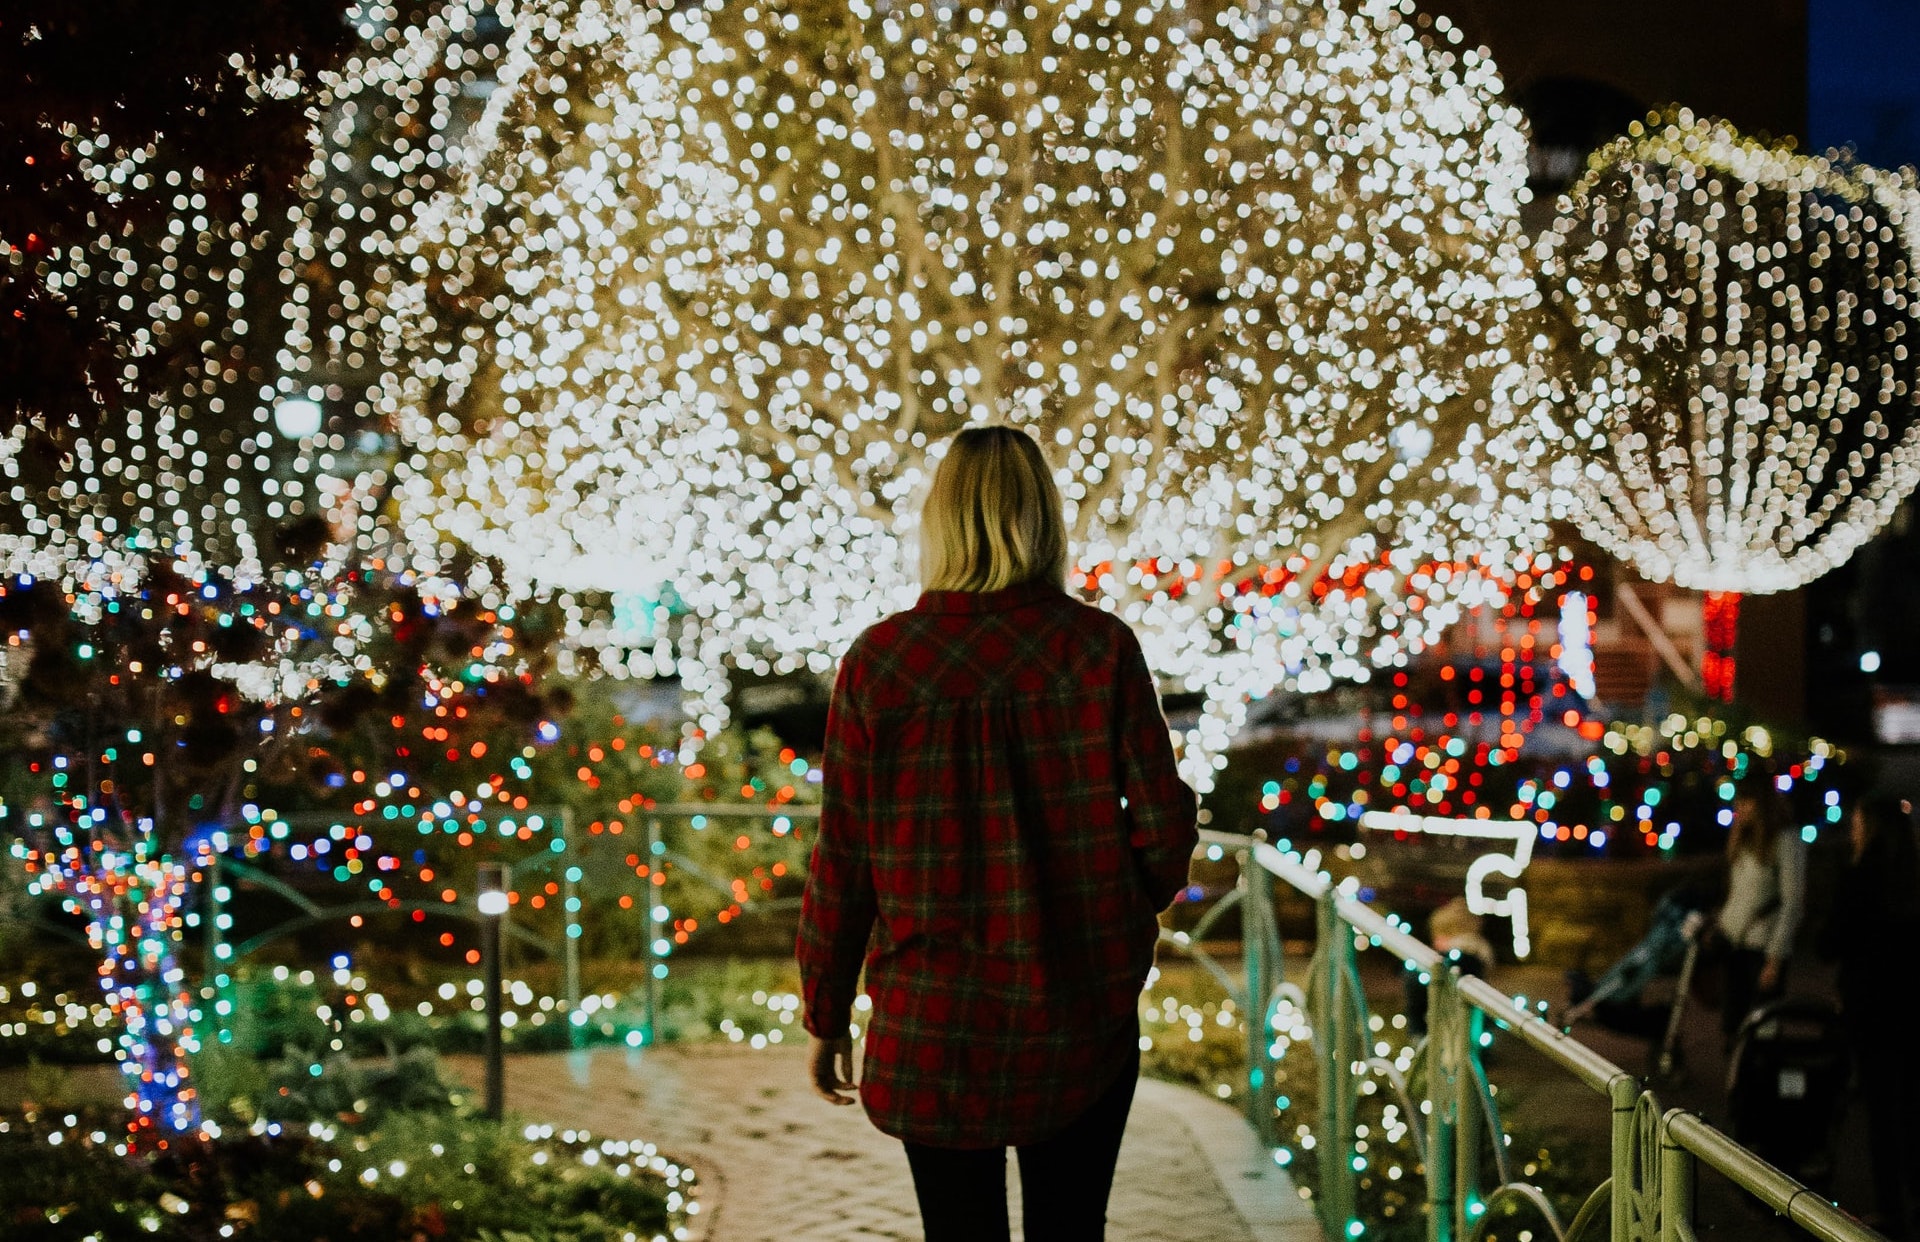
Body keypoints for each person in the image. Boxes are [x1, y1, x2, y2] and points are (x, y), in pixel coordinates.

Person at [795, 425, 1199, 1242]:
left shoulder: (879, 663)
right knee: (1071, 1227)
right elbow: (1163, 824)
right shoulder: (1098, 648)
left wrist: (827, 1010)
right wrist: (1117, 911)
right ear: (1043, 519)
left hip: (932, 1018)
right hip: (1077, 1005)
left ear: (939, 521)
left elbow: (845, 860)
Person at [1820, 792, 1920, 1237]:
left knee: (1880, 1107)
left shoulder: (1860, 876)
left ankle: (1890, 1209)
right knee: (1913, 1104)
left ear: (1870, 827)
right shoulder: (1911, 876)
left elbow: (1830, 942)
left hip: (1871, 1003)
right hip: (1910, 1001)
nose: (1851, 831)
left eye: (1856, 822)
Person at [1712, 779, 1807, 1045]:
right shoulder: (1742, 840)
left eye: (1747, 801)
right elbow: (1737, 895)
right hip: (1735, 943)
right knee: (1734, 1025)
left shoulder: (1786, 841)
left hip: (1763, 946)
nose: (1740, 808)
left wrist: (1775, 959)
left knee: (1763, 1028)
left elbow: (1792, 902)